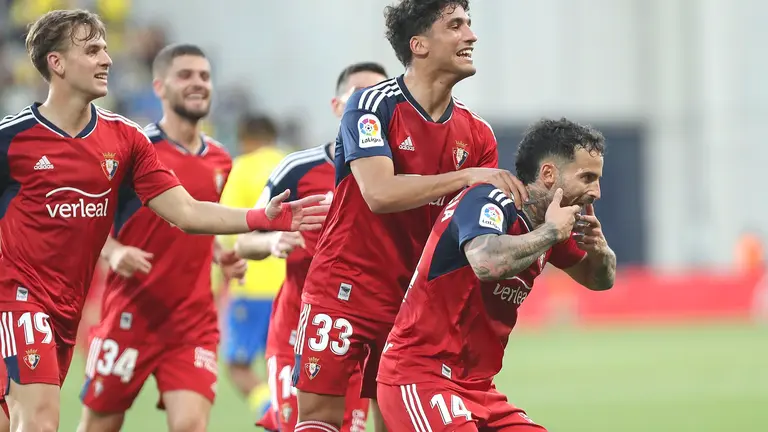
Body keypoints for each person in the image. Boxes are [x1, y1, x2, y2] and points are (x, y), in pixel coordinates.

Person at [0, 10, 326, 432]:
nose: (107, 59)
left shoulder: (125, 139)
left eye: (105, 48)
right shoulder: (13, 139)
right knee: (42, 422)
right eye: (92, 50)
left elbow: (187, 212)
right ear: (56, 63)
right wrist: (114, 253)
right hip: (21, 298)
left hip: (72, 310)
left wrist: (260, 216)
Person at [291, 1, 529, 431]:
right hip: (344, 287)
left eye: (469, 26)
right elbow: (379, 193)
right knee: (319, 421)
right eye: (455, 26)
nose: (471, 36)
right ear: (419, 44)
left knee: (400, 422)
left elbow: (476, 230)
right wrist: (466, 175)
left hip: (414, 307)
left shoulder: (478, 135)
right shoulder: (371, 104)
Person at [376, 118, 617, 431]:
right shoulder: (488, 199)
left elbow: (598, 281)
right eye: (586, 177)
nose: (595, 192)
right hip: (421, 377)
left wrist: (601, 252)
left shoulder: (550, 224)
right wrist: (551, 233)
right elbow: (485, 262)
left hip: (479, 389)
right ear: (548, 174)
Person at [76, 43, 247, 432]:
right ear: (159, 86)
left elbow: (203, 220)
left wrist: (222, 252)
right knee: (98, 426)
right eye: (185, 75)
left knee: (190, 424)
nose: (198, 83)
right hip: (131, 315)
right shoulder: (132, 150)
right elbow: (89, 223)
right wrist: (114, 251)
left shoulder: (221, 158)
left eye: (204, 76)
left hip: (192, 323)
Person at [238, 61, 388, 432]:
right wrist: (273, 240)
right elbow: (244, 241)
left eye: (380, 98)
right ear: (337, 106)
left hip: (361, 337)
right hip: (298, 331)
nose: (371, 107)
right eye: (360, 97)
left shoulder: (395, 176)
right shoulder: (297, 168)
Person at [218, 114, 286, 412]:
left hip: (252, 284)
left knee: (238, 366)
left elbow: (225, 229)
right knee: (287, 364)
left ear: (246, 139)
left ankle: (272, 412)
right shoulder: (293, 164)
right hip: (292, 287)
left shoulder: (243, 168)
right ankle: (288, 412)